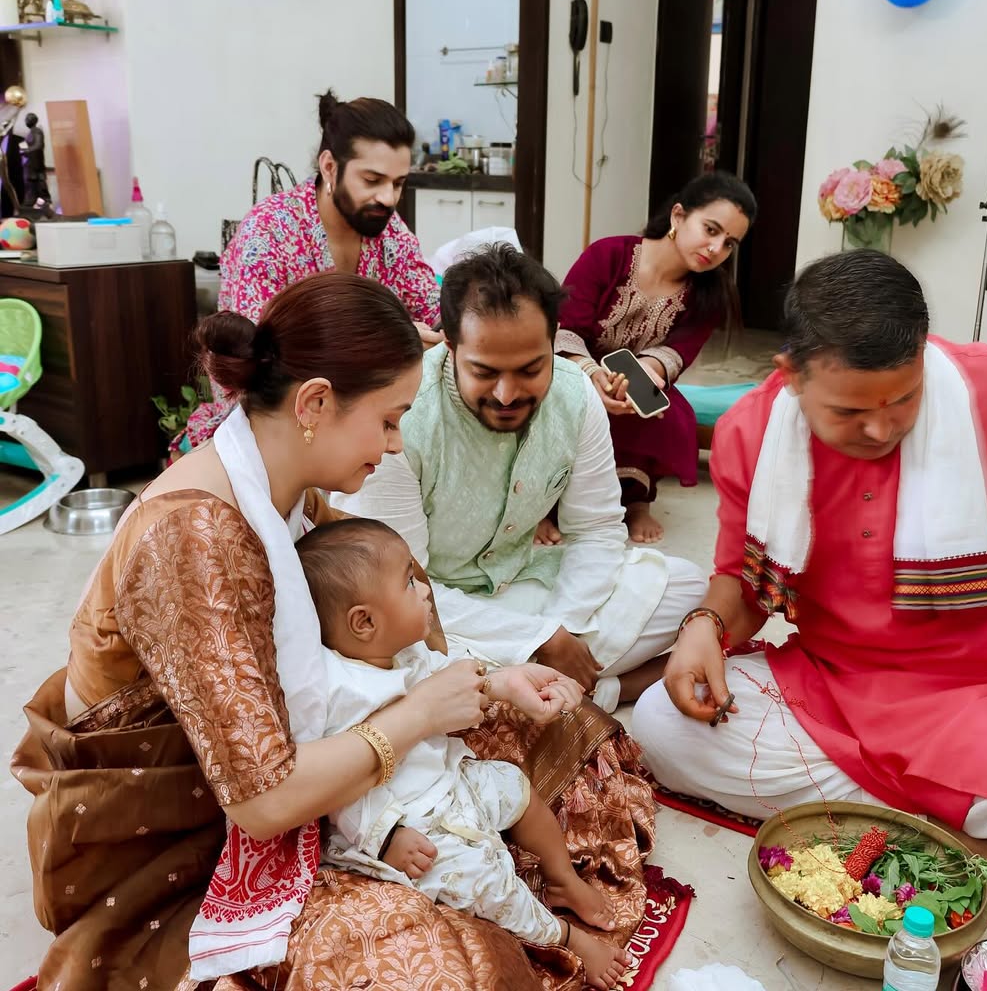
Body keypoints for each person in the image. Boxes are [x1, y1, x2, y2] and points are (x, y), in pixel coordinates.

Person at [12, 273, 657, 989]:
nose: (392, 445)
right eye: (387, 420)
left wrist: (495, 678)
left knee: (569, 733)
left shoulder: (296, 489)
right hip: (189, 825)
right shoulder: (196, 539)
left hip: (308, 755)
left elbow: (396, 622)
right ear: (315, 402)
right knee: (447, 972)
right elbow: (260, 804)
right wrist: (413, 718)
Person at [632, 251, 987, 929]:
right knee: (663, 728)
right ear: (791, 377)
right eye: (849, 411)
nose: (880, 429)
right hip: (837, 700)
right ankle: (978, 843)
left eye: (903, 400)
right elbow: (745, 586)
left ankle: (917, 820)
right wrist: (703, 625)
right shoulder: (752, 434)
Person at [337, 243, 709, 711]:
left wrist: (563, 628)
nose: (508, 393)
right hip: (433, 613)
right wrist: (539, 638)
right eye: (485, 372)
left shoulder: (576, 396)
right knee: (389, 655)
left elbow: (595, 529)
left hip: (529, 587)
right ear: (448, 346)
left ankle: (542, 688)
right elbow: (400, 584)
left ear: (554, 340)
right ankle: (597, 690)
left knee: (686, 586)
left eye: (531, 369)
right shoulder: (404, 416)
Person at [297, 517, 630, 990]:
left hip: (452, 781)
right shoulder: (336, 691)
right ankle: (564, 935)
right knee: (482, 880)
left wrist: (506, 681)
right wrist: (387, 836)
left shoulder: (406, 652)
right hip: (409, 823)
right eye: (409, 584)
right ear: (364, 622)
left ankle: (560, 877)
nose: (426, 592)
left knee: (514, 785)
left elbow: (459, 678)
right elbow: (338, 785)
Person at [184, 90, 443, 448]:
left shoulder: (389, 232)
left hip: (361, 418)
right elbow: (257, 364)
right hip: (274, 427)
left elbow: (432, 309)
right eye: (372, 180)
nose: (388, 198)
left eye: (398, 184)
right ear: (330, 167)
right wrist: (388, 343)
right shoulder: (269, 233)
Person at [555, 172, 757, 544]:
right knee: (562, 404)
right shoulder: (608, 255)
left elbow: (676, 352)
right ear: (678, 216)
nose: (715, 248)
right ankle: (549, 505)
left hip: (638, 378)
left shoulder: (709, 294)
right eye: (710, 229)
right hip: (573, 364)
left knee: (666, 415)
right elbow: (567, 328)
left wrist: (635, 380)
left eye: (729, 243)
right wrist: (591, 377)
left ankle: (635, 502)